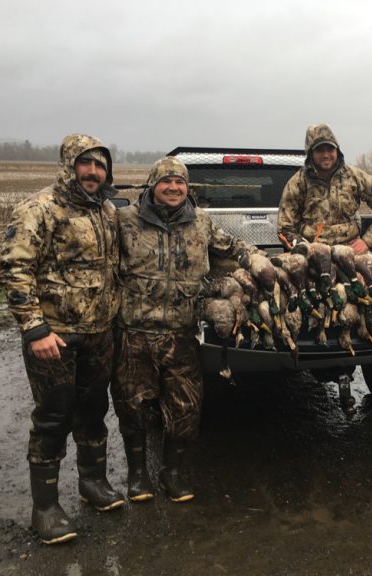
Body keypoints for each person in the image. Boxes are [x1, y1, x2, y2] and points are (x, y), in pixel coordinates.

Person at [0, 134, 123, 545]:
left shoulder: (107, 211)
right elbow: (15, 269)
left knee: (92, 409)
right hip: (55, 337)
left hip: (99, 333)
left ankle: (92, 484)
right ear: (69, 165)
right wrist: (35, 328)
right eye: (84, 164)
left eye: (99, 165)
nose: (93, 172)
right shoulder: (39, 209)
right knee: (53, 417)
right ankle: (46, 507)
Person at [112, 156, 251, 503]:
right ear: (152, 185)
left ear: (187, 188)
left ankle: (172, 474)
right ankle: (138, 475)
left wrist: (263, 262)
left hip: (181, 333)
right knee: (133, 408)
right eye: (166, 182)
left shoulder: (201, 223)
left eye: (180, 183)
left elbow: (235, 248)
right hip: (134, 333)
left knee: (186, 408)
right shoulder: (124, 221)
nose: (173, 188)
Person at [277, 123, 372, 254]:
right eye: (319, 150)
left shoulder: (355, 176)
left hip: (352, 251)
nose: (326, 155)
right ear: (310, 153)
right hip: (313, 253)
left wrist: (366, 241)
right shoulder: (297, 183)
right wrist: (304, 249)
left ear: (337, 150)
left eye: (330, 149)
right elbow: (285, 228)